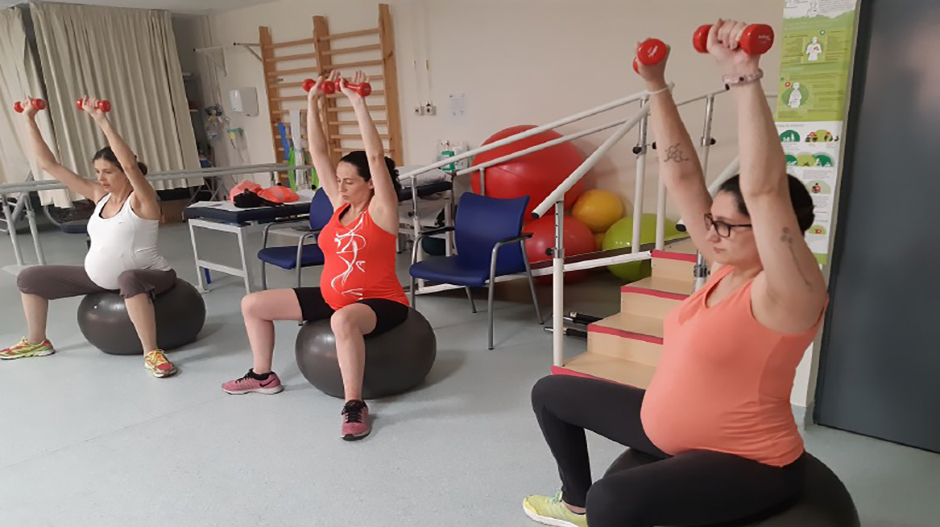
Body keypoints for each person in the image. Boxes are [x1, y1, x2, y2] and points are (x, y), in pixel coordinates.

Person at [523, 19, 827, 527]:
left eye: (729, 224)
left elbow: (766, 191)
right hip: (666, 429)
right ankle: (574, 502)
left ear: (781, 232)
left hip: (749, 462)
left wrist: (743, 77)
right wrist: (656, 86)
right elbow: (681, 173)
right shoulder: (727, 257)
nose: (712, 232)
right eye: (713, 221)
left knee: (614, 502)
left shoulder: (789, 291)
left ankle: (593, 507)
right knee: (551, 392)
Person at [222, 70, 408, 442]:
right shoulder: (340, 206)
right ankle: (263, 375)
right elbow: (318, 154)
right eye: (338, 180)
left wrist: (356, 101)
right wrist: (313, 101)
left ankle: (354, 404)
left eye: (348, 180)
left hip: (379, 302)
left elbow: (374, 154)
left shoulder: (382, 210)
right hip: (331, 296)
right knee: (253, 304)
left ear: (371, 182)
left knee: (342, 321)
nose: (338, 186)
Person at [1, 97, 179, 378]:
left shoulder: (142, 200)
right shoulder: (99, 196)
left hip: (151, 274)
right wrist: (28, 118)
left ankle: (152, 352)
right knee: (29, 278)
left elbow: (131, 166)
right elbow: (49, 165)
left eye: (108, 171)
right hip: (97, 277)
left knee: (128, 278)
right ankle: (37, 341)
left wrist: (100, 119)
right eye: (97, 172)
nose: (101, 178)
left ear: (125, 172)